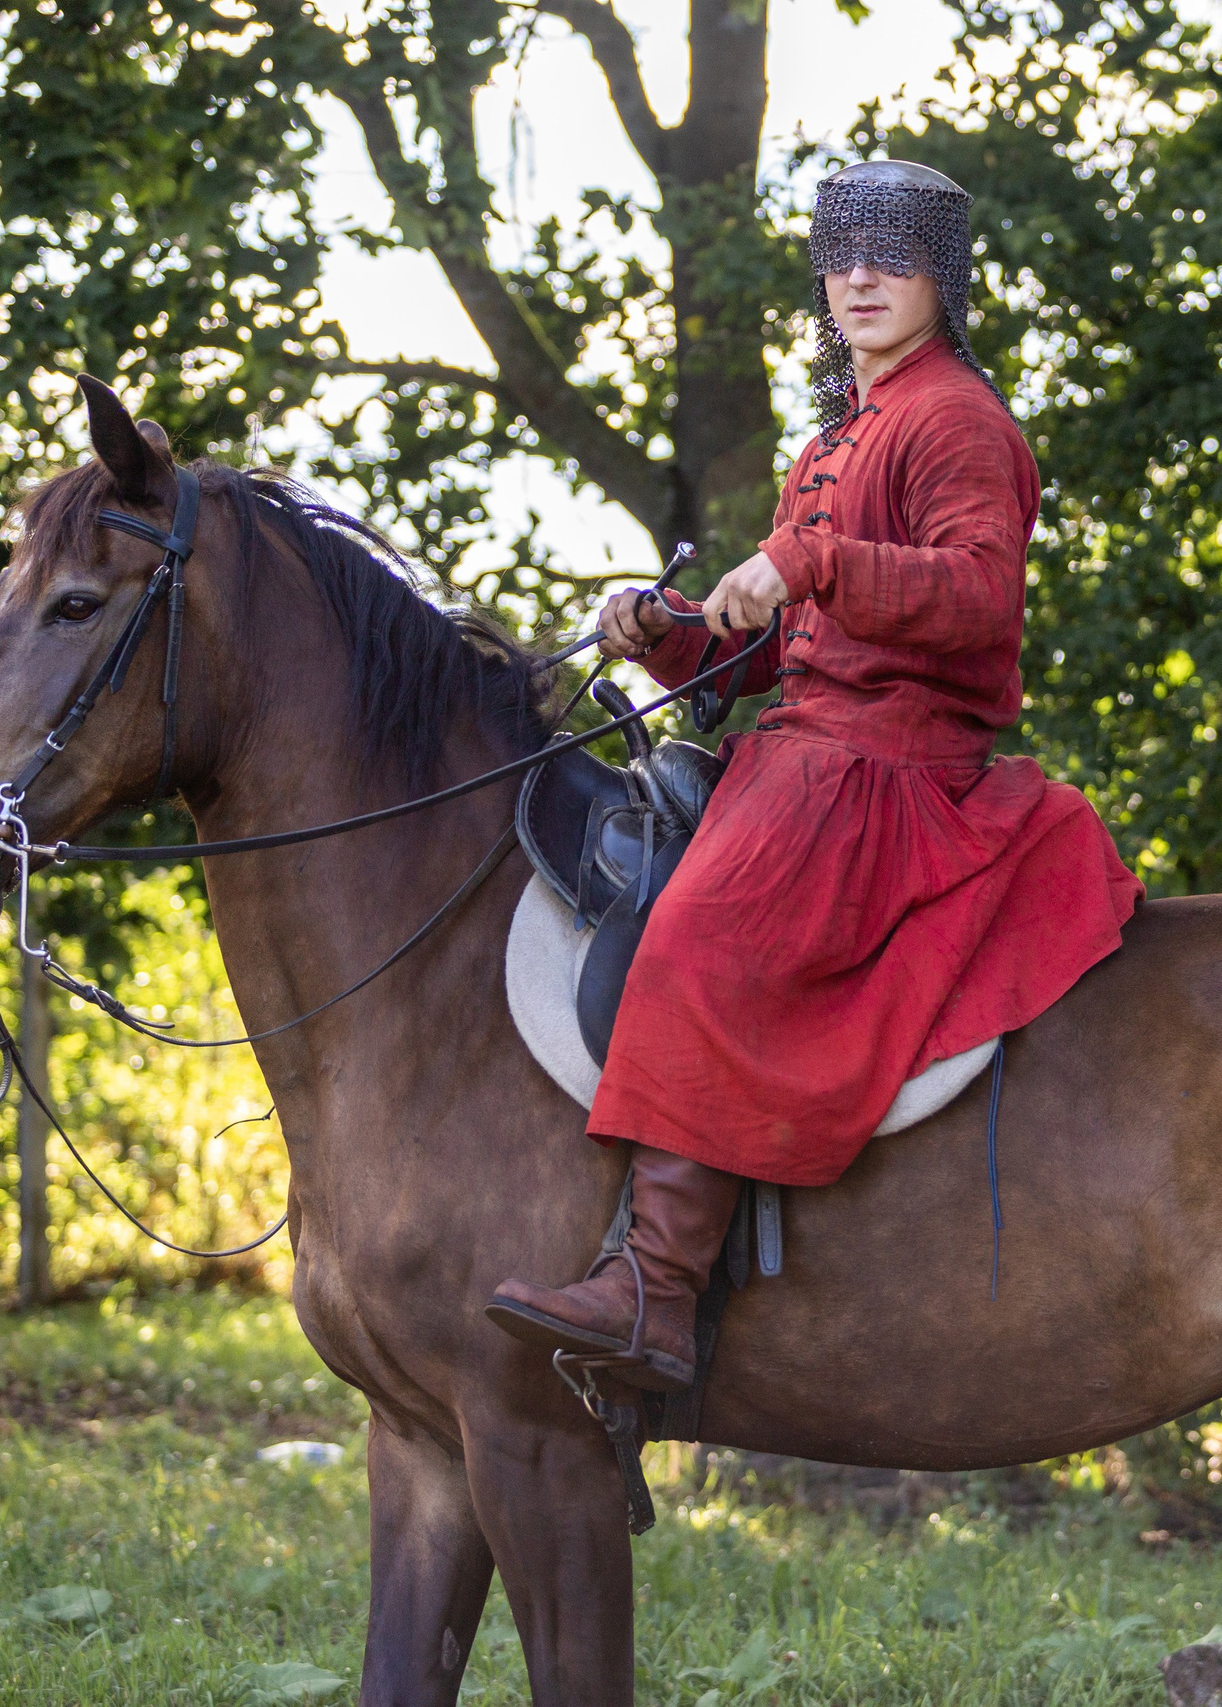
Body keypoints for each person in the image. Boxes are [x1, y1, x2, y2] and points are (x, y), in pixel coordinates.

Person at [486, 160, 1142, 1390]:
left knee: (696, 941)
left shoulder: (957, 419)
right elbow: (771, 650)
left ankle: (656, 1295)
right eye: (842, 256)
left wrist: (812, 561)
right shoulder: (842, 431)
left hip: (887, 770)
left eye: (891, 256)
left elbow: (979, 594)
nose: (861, 278)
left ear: (941, 277)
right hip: (804, 746)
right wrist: (668, 632)